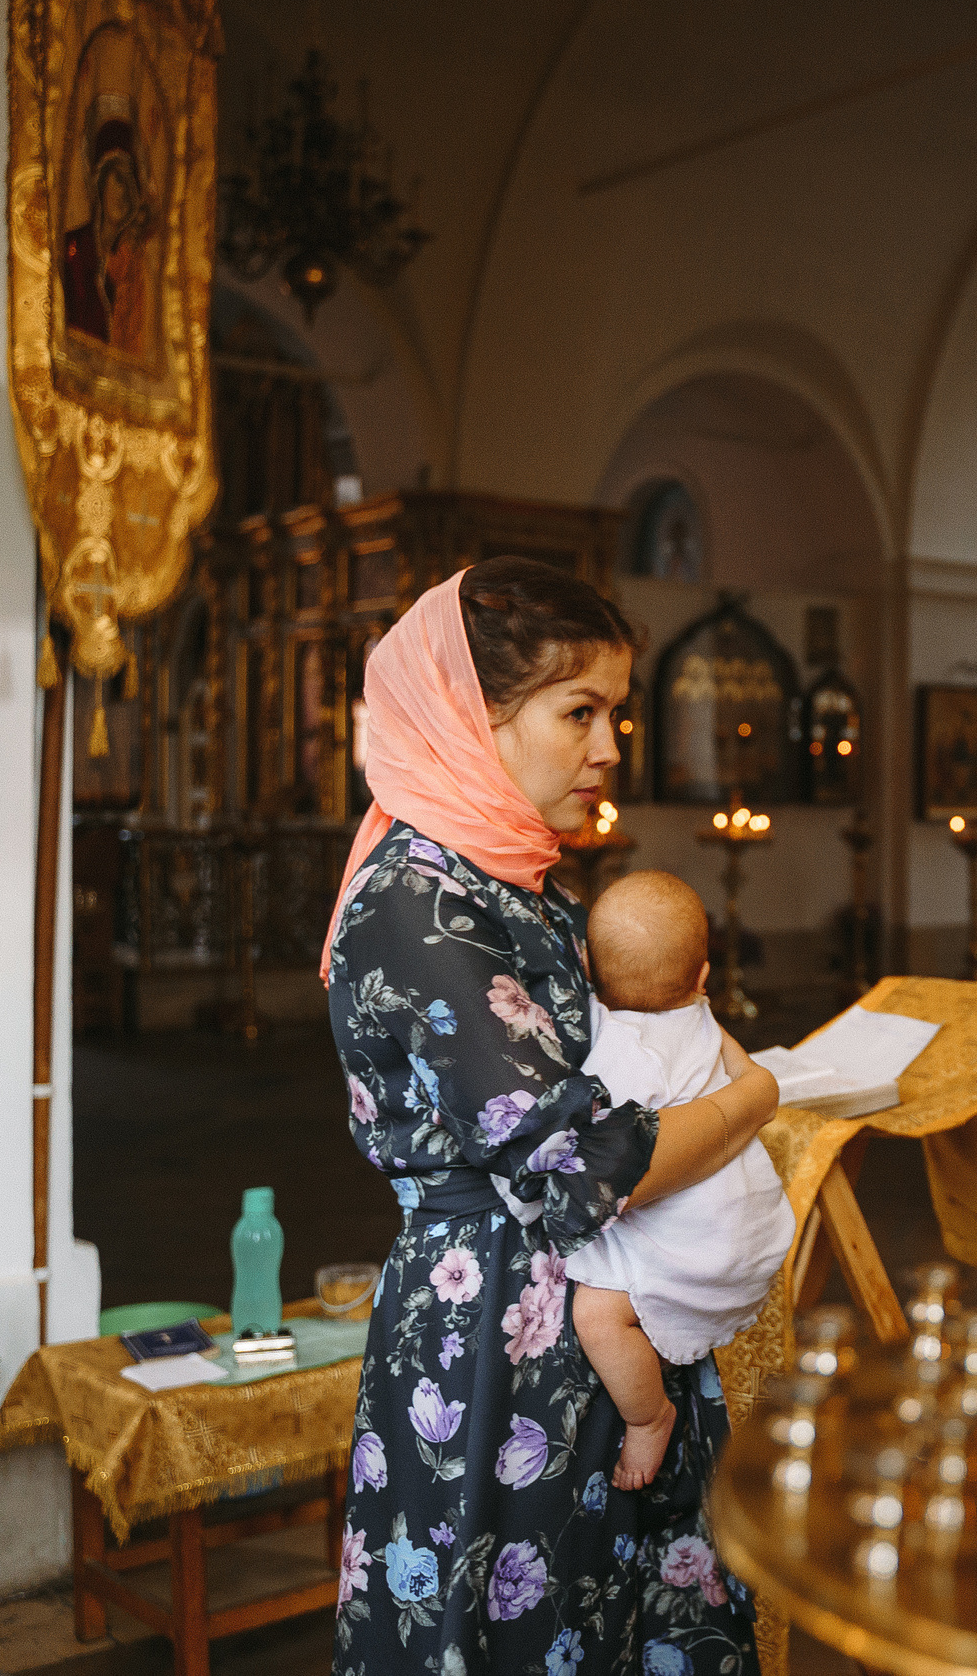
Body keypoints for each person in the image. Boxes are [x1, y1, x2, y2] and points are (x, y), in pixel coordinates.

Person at [324, 557, 771, 1672]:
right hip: (497, 1341)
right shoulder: (419, 899)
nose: (610, 747)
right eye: (580, 712)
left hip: (601, 1303)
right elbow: (577, 1167)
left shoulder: (516, 878)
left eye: (613, 713)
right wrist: (759, 1095)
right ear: (474, 720)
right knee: (515, 1625)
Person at [561, 871, 794, 1492]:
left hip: (692, 1237)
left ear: (586, 969)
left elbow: (608, 1159)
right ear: (703, 977)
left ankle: (649, 1415)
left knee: (597, 1316)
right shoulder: (704, 1019)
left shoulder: (609, 1045)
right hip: (750, 1228)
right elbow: (749, 1077)